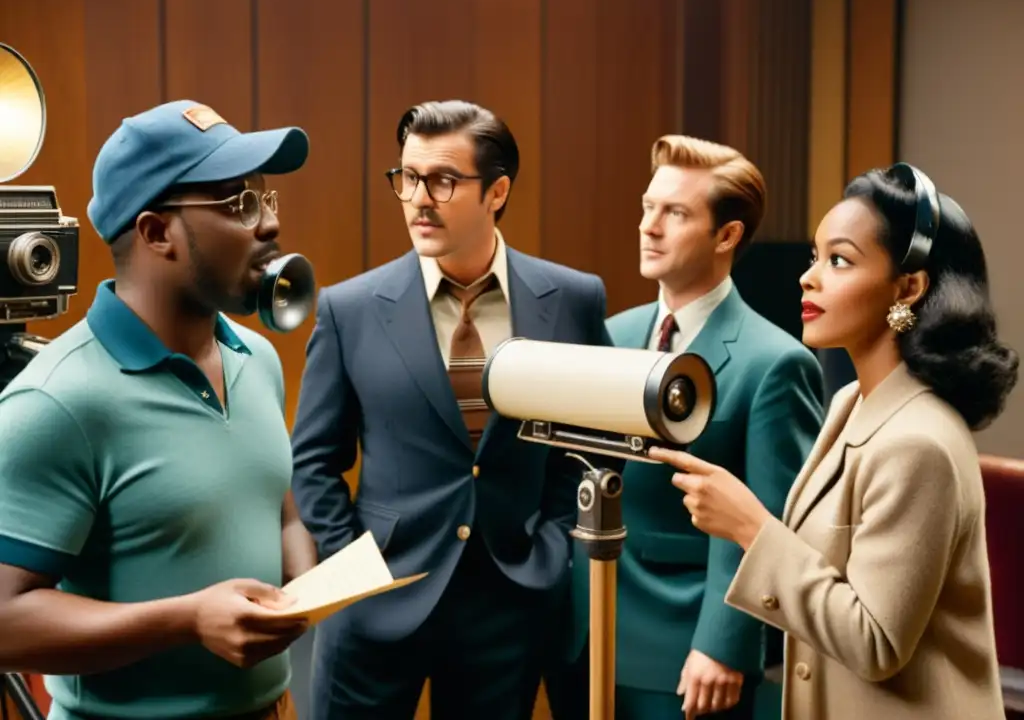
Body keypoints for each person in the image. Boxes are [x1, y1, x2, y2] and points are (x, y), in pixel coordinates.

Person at [654, 163, 1018, 719]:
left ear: (908, 288)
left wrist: (751, 528)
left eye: (840, 260)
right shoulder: (851, 403)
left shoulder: (919, 443)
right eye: (814, 257)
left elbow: (875, 642)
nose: (809, 278)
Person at [289, 99, 613, 720]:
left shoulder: (571, 299)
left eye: (442, 180)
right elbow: (313, 460)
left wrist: (551, 543)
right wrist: (352, 564)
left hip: (510, 596)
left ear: (497, 193)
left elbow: (589, 444)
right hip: (377, 598)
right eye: (407, 178)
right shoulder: (349, 308)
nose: (418, 198)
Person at [0, 100, 318, 720]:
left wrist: (304, 591)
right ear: (155, 233)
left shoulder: (258, 357)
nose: (269, 226)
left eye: (266, 199)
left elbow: (279, 515)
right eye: (238, 204)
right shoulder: (57, 401)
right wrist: (188, 620)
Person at [546, 134, 825, 720]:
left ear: (727, 235)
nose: (649, 226)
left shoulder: (775, 361)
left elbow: (770, 524)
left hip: (688, 652)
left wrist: (726, 644)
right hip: (581, 636)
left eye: (675, 213)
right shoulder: (612, 336)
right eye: (648, 208)